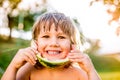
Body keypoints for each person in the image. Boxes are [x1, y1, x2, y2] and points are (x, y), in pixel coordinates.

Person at [1, 12, 101, 80]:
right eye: (46, 36)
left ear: (72, 45)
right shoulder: (30, 69)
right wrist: (13, 66)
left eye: (61, 37)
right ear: (36, 44)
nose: (53, 43)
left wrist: (90, 70)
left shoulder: (78, 73)